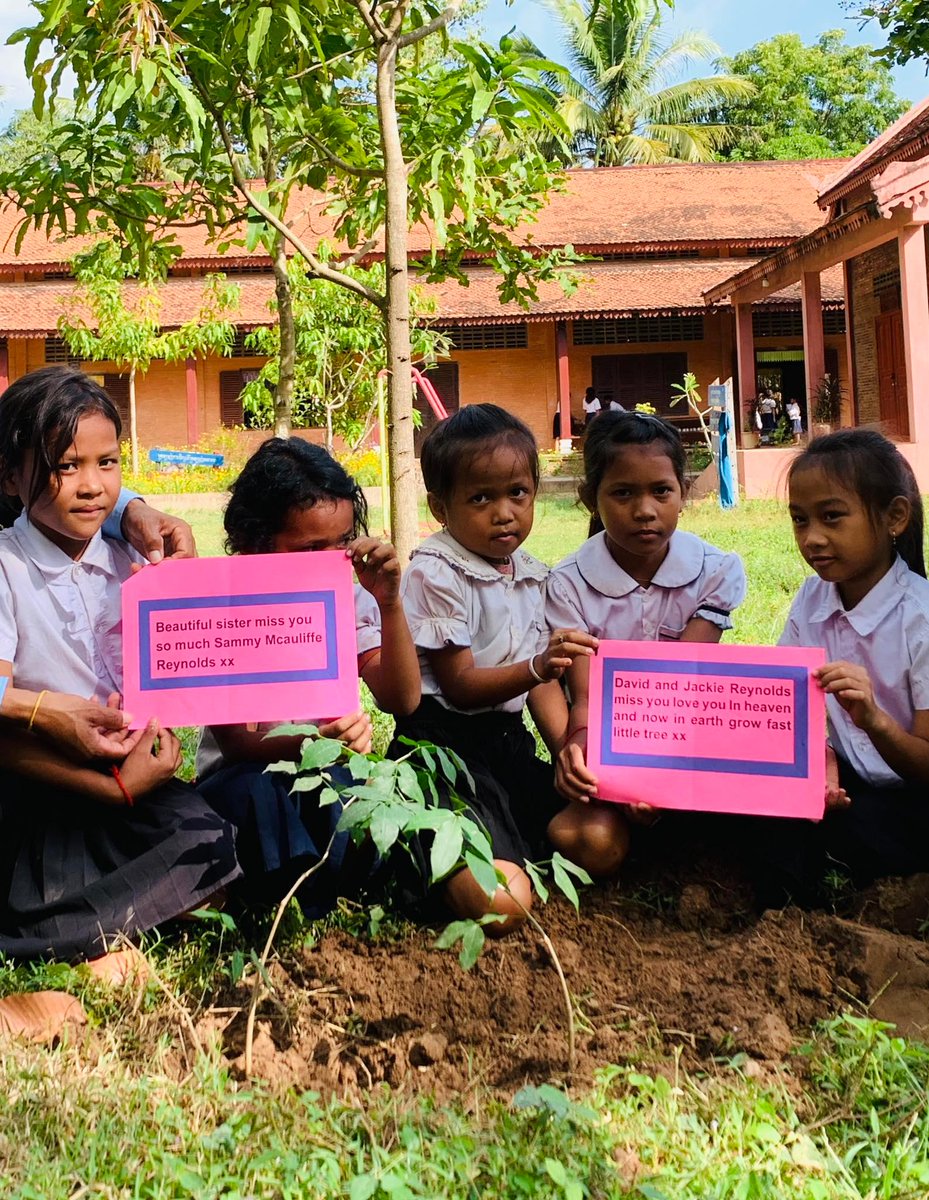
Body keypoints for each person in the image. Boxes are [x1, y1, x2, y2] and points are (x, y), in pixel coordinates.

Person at [0, 366, 241, 969]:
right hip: (37, 776)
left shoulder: (132, 558)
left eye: (107, 463)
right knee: (35, 867)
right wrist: (58, 725)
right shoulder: (7, 568)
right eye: (64, 466)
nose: (91, 486)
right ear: (9, 475)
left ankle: (105, 924)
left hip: (127, 773)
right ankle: (79, 938)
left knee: (212, 847)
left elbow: (179, 670)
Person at [391, 404, 597, 934]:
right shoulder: (435, 571)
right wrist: (535, 666)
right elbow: (459, 686)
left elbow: (540, 689)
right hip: (443, 749)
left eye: (517, 494)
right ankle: (447, 869)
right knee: (502, 901)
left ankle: (513, 856)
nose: (504, 513)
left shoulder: (531, 574)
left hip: (506, 745)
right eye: (480, 498)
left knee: (600, 836)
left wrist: (565, 751)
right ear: (440, 507)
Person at [196, 438, 420, 915]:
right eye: (311, 547)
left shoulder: (345, 592)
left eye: (341, 543)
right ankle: (285, 893)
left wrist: (389, 602)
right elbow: (237, 744)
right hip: (245, 778)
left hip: (327, 768)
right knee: (264, 795)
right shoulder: (222, 601)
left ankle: (324, 880)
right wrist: (316, 740)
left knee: (367, 791)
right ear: (255, 545)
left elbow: (401, 698)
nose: (331, 559)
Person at [546, 412, 746, 860]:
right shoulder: (567, 583)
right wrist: (578, 750)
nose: (644, 510)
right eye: (622, 493)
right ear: (589, 498)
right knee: (591, 840)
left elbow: (678, 685)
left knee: (754, 820)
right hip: (609, 747)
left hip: (689, 739)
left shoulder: (715, 571)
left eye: (661, 491)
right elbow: (585, 698)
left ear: (684, 493)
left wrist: (658, 778)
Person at [756, 430, 929, 906]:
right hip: (851, 787)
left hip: (914, 796)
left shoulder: (920, 618)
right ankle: (781, 918)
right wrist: (823, 766)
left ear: (895, 517)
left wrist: (873, 719)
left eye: (832, 517)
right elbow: (788, 712)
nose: (812, 538)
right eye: (799, 520)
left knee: (868, 830)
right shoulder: (812, 599)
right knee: (770, 804)